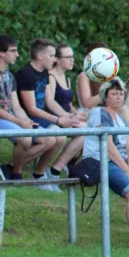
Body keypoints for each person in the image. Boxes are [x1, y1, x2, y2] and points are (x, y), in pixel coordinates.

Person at [83, 77, 129, 250]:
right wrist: (126, 170)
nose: (118, 97)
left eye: (121, 94)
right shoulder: (100, 113)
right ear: (105, 97)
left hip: (121, 163)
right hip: (102, 162)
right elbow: (107, 146)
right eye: (114, 94)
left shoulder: (121, 119)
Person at [0, 35, 56, 180]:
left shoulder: (10, 76)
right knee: (25, 138)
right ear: (1, 53)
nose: (17, 54)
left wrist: (27, 121)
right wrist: (20, 123)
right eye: (13, 51)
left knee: (50, 139)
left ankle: (11, 169)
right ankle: (16, 174)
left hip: (8, 119)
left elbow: (16, 107)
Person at [15, 38, 82, 191]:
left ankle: (39, 174)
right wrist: (59, 119)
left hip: (39, 116)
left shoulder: (44, 73)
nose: (54, 59)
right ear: (40, 56)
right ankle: (22, 170)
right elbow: (31, 109)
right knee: (56, 136)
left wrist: (67, 116)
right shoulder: (26, 74)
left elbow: (48, 102)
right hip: (27, 118)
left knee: (60, 136)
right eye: (52, 56)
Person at [44, 43, 87, 173]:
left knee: (95, 126)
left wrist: (79, 114)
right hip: (54, 118)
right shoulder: (50, 76)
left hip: (66, 117)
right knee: (87, 132)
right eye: (67, 57)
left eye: (72, 57)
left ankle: (71, 164)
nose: (72, 60)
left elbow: (68, 104)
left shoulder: (66, 78)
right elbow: (50, 102)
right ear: (56, 59)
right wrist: (68, 116)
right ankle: (56, 169)